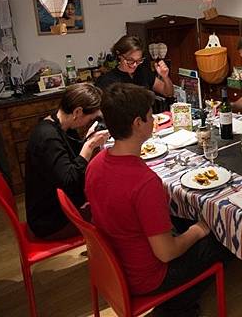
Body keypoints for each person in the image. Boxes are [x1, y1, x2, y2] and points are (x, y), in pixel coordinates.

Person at [85, 83, 228, 317]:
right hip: (147, 277)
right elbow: (166, 253)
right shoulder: (144, 182)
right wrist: (199, 229)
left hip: (114, 265)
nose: (153, 120)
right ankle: (179, 306)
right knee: (222, 237)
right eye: (151, 115)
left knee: (180, 220)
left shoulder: (95, 163)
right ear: (138, 123)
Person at [25, 83, 109, 240]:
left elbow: (70, 158)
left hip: (60, 206)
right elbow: (70, 180)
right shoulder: (47, 137)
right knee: (114, 212)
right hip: (50, 221)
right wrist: (89, 146)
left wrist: (87, 139)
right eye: (90, 118)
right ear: (77, 112)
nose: (88, 122)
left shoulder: (60, 125)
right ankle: (106, 253)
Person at [95, 35, 174, 97]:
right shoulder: (107, 81)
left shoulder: (143, 72)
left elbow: (168, 93)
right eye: (130, 60)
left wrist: (165, 77)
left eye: (139, 60)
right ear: (119, 55)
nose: (135, 65)